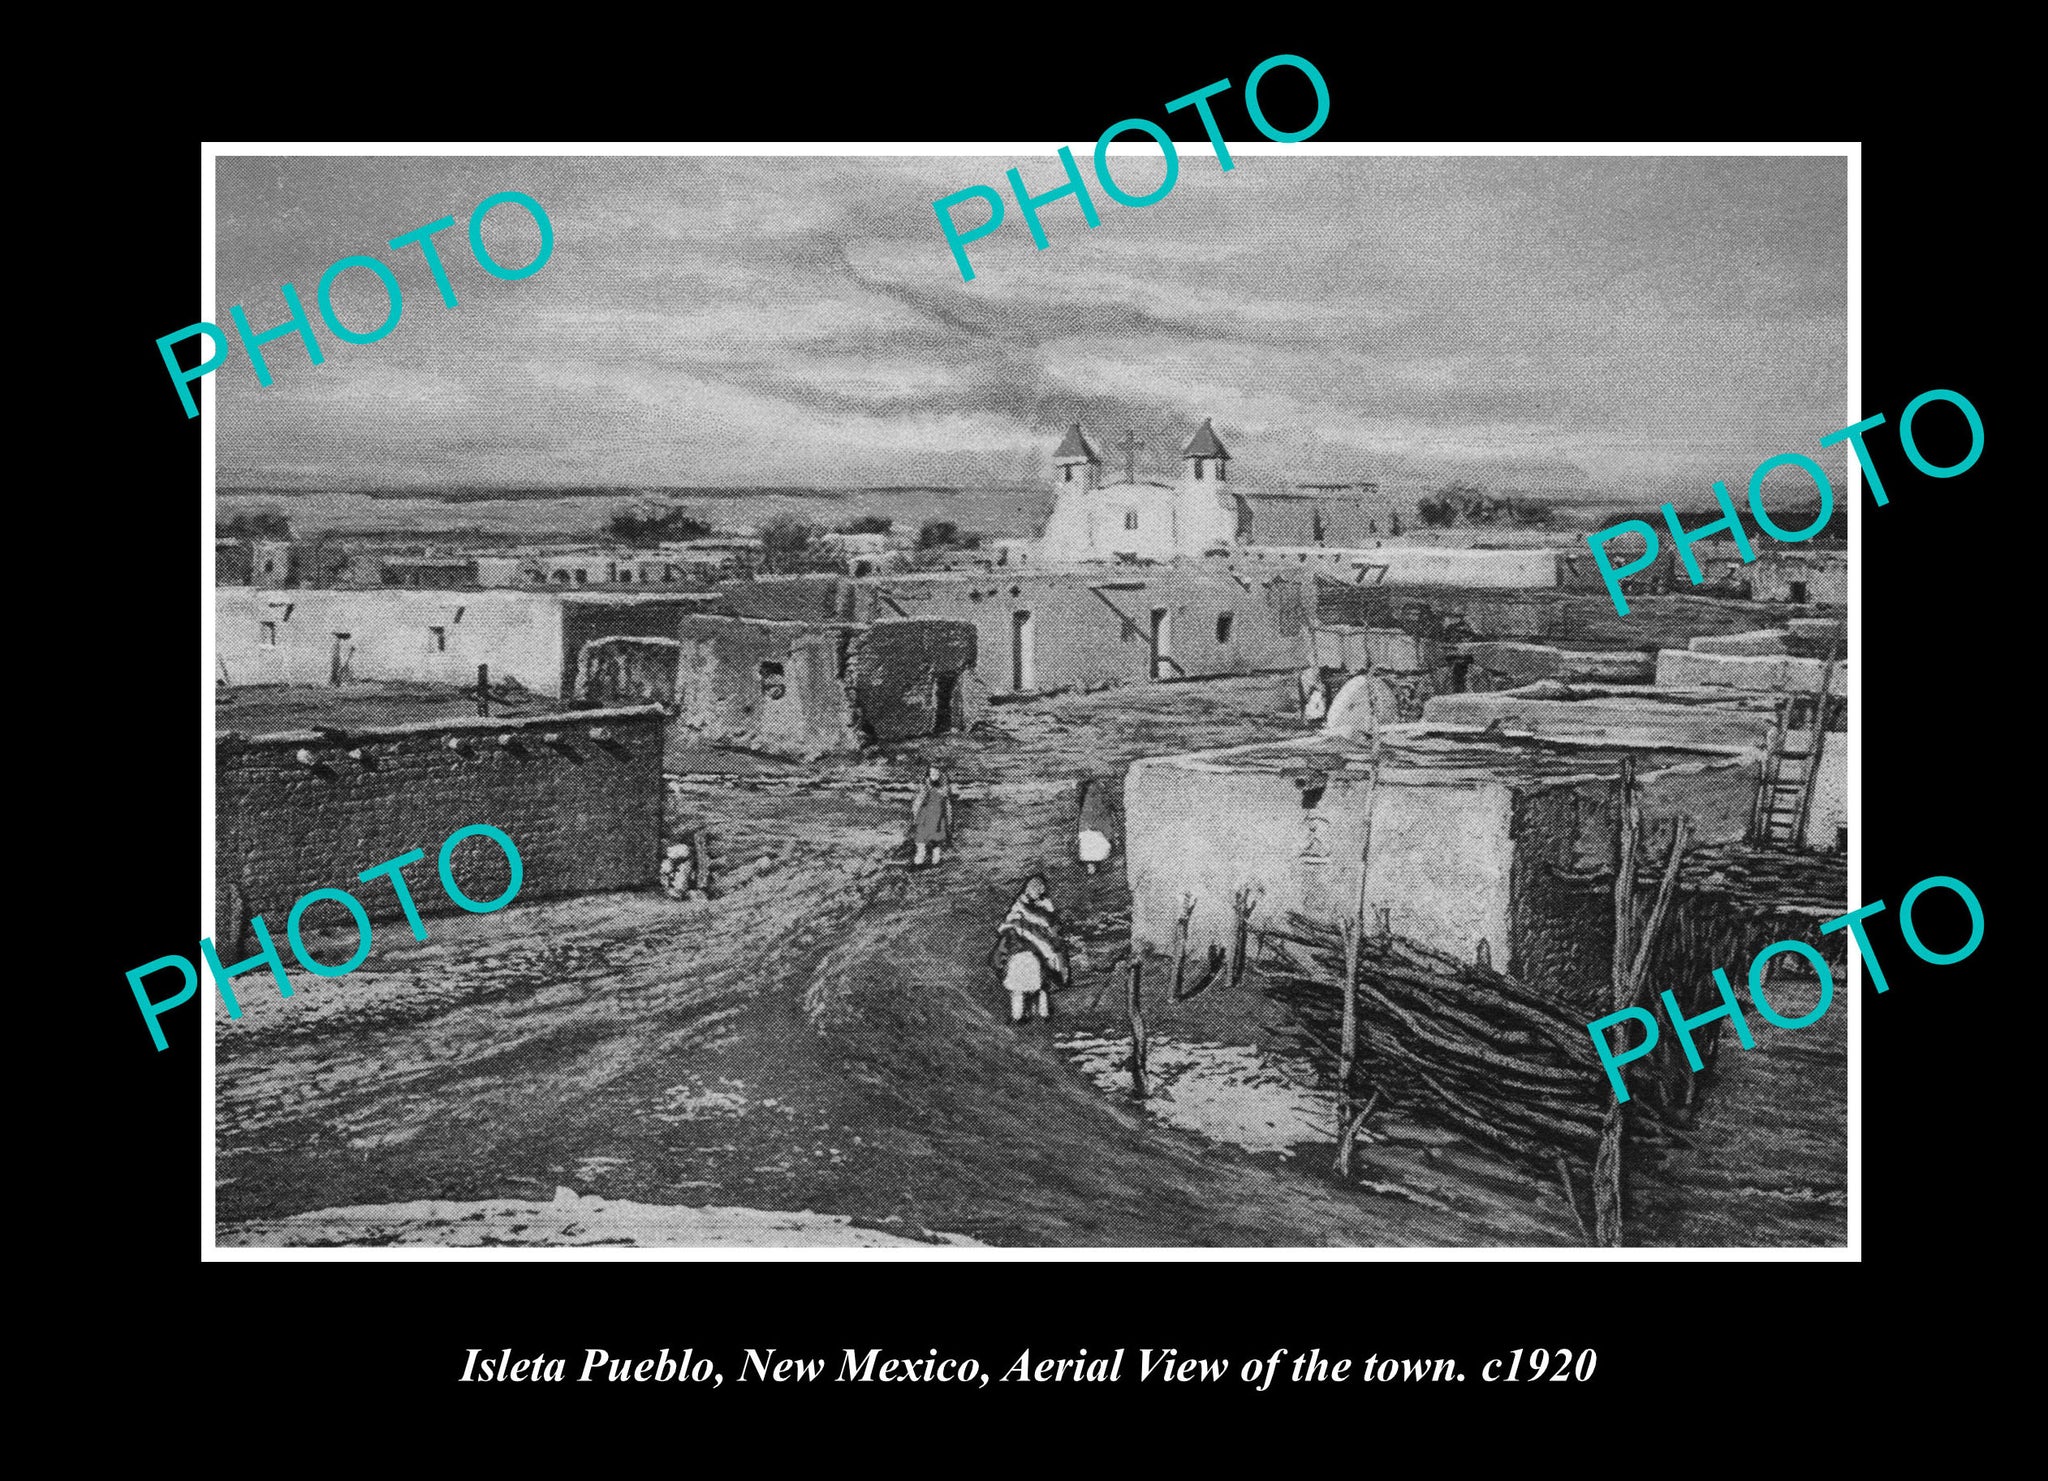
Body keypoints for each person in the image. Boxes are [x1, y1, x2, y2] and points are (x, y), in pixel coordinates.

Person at [994, 875, 1076, 1024]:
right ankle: (1026, 1015)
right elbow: (1052, 941)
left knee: (1031, 988)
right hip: (1023, 958)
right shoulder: (1021, 910)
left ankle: (1032, 1014)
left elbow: (1050, 934)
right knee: (1029, 987)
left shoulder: (1040, 909)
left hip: (1028, 958)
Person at [909, 762, 954, 867]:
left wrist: (949, 818)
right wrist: (915, 815)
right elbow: (918, 801)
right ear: (928, 775)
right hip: (925, 817)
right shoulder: (925, 787)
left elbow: (947, 805)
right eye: (932, 774)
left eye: (937, 774)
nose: (934, 776)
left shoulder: (944, 789)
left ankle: (936, 861)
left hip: (938, 818)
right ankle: (919, 860)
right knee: (920, 838)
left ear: (941, 775)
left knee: (936, 840)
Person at [1076, 776, 1116, 874]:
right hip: (1094, 828)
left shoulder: (1094, 852)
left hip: (1093, 829)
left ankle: (1093, 788)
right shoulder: (1101, 853)